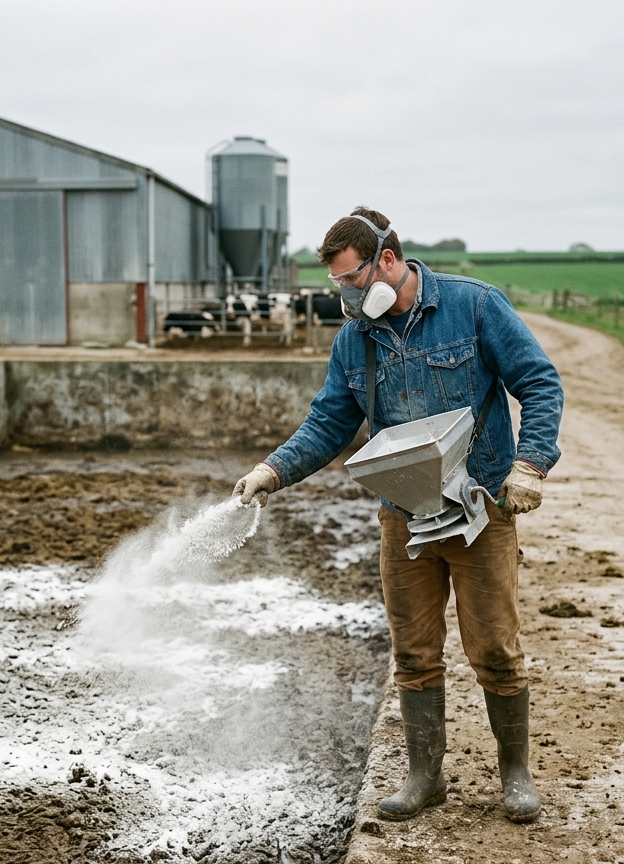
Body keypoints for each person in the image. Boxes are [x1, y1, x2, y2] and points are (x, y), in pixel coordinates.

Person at [233, 208, 563, 825]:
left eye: (351, 280)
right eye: (338, 285)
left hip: (480, 506)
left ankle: (515, 774)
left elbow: (539, 382)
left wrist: (531, 465)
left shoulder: (473, 307)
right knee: (412, 651)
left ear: (387, 261)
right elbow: (330, 421)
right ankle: (424, 775)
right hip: (404, 513)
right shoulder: (355, 340)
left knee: (493, 646)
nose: (347, 296)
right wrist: (272, 470)